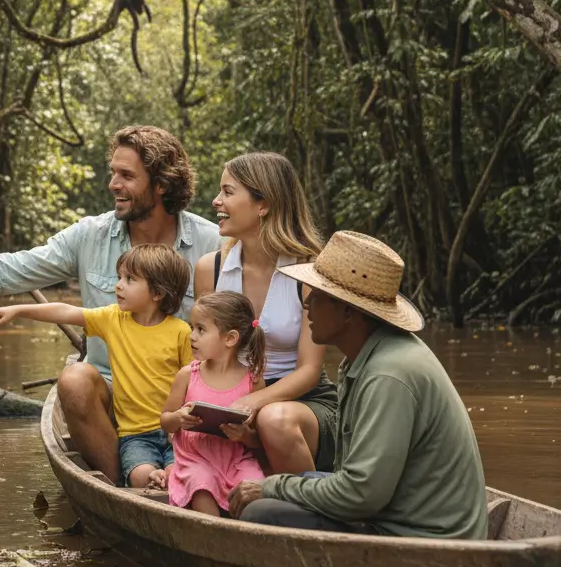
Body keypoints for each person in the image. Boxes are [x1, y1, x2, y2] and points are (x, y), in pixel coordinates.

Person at [0, 125, 220, 484]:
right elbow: (14, 268)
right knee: (74, 379)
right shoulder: (90, 236)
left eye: (127, 175)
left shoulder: (211, 241)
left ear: (161, 184)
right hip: (115, 390)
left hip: (187, 395)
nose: (113, 184)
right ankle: (125, 490)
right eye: (112, 172)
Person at [229, 231, 489, 539]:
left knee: (262, 510)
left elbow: (360, 495)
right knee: (279, 490)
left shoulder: (388, 374)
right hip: (392, 510)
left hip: (422, 535)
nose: (308, 304)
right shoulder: (367, 357)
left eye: (319, 296)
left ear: (348, 312)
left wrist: (272, 486)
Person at [0, 244, 192, 488]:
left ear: (157, 293)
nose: (118, 285)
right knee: (139, 476)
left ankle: (168, 478)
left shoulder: (181, 331)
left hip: (176, 432)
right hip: (135, 436)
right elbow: (65, 311)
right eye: (119, 277)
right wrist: (17, 309)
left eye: (130, 279)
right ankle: (151, 480)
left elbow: (194, 382)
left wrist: (181, 423)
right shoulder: (113, 319)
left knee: (180, 471)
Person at [193, 152, 338, 474]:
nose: (216, 201)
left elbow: (309, 370)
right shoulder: (209, 269)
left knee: (273, 420)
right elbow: (204, 356)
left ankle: (310, 512)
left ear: (264, 204)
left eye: (228, 192)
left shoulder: (311, 273)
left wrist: (252, 403)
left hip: (302, 403)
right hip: (231, 397)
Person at [161, 291, 266, 516]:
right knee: (201, 483)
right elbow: (165, 421)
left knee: (254, 488)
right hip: (194, 460)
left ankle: (249, 538)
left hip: (236, 461)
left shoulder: (253, 382)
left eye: (201, 329)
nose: (192, 336)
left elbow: (259, 439)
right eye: (192, 327)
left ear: (230, 339)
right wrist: (178, 418)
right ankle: (211, 537)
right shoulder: (188, 375)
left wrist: (244, 435)